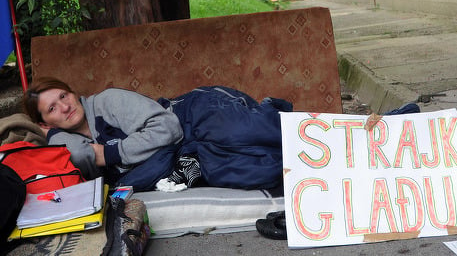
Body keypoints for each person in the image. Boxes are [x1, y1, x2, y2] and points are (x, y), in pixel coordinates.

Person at [23, 77, 291, 192]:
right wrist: (51, 137)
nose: (66, 106)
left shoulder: (107, 102)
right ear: (44, 122)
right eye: (52, 108)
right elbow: (80, 156)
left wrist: (110, 153)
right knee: (254, 171)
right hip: (188, 152)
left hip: (192, 114)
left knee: (241, 133)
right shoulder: (67, 143)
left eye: (63, 95)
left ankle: (281, 117)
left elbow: (169, 128)